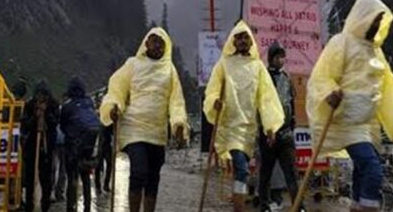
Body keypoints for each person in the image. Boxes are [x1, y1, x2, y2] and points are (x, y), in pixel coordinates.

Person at [307, 0, 393, 212]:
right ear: (362, 17)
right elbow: (322, 76)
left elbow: (387, 87)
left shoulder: (376, 52)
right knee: (372, 167)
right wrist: (330, 92)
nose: (376, 25)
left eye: (379, 21)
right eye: (373, 20)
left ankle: (357, 205)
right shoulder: (341, 42)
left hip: (366, 123)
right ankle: (369, 207)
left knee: (362, 167)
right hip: (344, 121)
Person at [100, 27, 189, 212]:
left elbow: (176, 101)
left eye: (161, 42)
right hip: (134, 129)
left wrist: (178, 123)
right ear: (146, 43)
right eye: (153, 41)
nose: (157, 45)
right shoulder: (132, 65)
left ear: (166, 47)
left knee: (153, 177)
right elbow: (117, 88)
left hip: (157, 132)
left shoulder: (170, 71)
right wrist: (114, 107)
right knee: (139, 172)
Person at [203, 20, 284, 212]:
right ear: (233, 41)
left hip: (248, 129)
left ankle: (237, 200)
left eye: (245, 37)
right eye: (238, 37)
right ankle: (239, 208)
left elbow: (267, 98)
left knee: (242, 171)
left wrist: (271, 126)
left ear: (251, 41)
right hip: (228, 127)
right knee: (242, 169)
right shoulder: (224, 64)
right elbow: (212, 90)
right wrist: (215, 102)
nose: (241, 41)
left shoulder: (257, 67)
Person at [257, 42, 305, 212]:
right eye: (277, 57)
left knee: (291, 172)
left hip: (286, 134)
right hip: (268, 133)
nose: (280, 60)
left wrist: (292, 125)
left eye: (282, 57)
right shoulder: (263, 78)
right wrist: (265, 129)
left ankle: (299, 205)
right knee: (266, 173)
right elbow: (261, 104)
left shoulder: (286, 77)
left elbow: (290, 101)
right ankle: (264, 205)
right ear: (270, 59)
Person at [61, 76, 102, 212]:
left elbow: (63, 126)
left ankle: (71, 207)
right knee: (86, 178)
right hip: (90, 147)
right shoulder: (89, 102)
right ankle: (87, 207)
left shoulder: (67, 106)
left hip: (73, 146)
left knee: (72, 177)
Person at [20, 81, 59, 212]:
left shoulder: (53, 105)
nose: (41, 98)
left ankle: (45, 205)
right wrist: (35, 118)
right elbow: (25, 124)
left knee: (46, 179)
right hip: (32, 147)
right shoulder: (29, 105)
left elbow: (54, 124)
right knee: (30, 179)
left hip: (47, 148)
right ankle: (30, 206)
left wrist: (46, 114)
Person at [94, 122, 113, 192]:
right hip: (100, 145)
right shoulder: (99, 121)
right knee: (98, 166)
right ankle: (98, 185)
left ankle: (105, 185)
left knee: (109, 165)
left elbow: (112, 132)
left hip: (107, 145)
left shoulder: (109, 122)